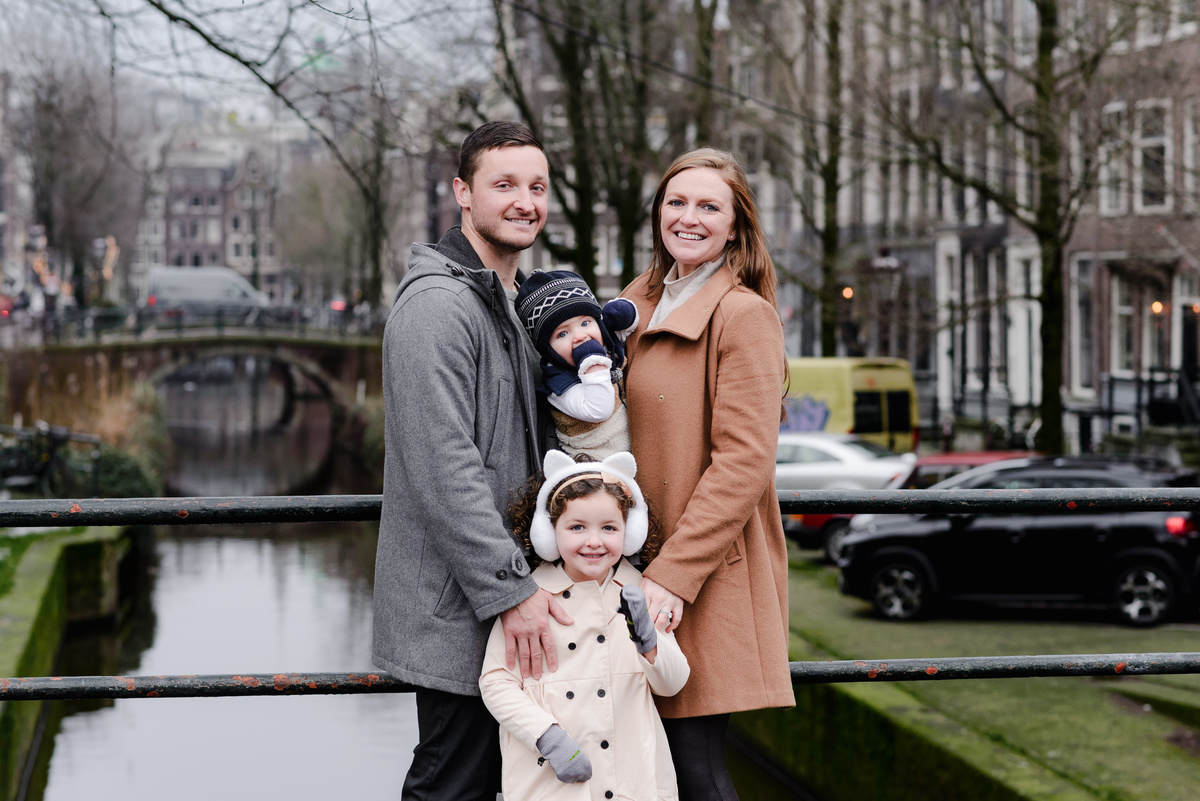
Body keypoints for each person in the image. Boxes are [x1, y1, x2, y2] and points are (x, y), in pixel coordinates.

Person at [372, 120, 571, 801]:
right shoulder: (438, 307)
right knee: (451, 783)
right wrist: (510, 590)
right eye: (505, 185)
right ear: (463, 193)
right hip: (463, 608)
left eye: (537, 186)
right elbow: (445, 466)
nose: (525, 201)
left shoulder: (508, 305)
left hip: (497, 600)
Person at [619, 148, 795, 800]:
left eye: (708, 206)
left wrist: (674, 576)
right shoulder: (633, 304)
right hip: (629, 563)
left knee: (694, 764)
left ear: (735, 227)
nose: (688, 218)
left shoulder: (742, 314)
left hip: (695, 575)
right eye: (677, 202)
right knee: (641, 764)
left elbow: (746, 458)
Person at [480, 450, 690, 801]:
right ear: (549, 532)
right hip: (552, 782)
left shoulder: (640, 594)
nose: (594, 541)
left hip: (634, 782)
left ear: (630, 531)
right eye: (577, 527)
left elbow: (672, 684)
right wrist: (548, 737)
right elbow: (496, 681)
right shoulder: (530, 600)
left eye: (609, 528)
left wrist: (650, 644)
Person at [515, 270, 639, 458]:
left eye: (585, 323)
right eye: (562, 334)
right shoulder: (559, 384)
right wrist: (592, 363)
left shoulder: (604, 341)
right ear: (548, 350)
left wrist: (622, 314)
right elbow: (599, 409)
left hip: (630, 454)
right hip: (594, 466)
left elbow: (627, 328)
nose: (580, 336)